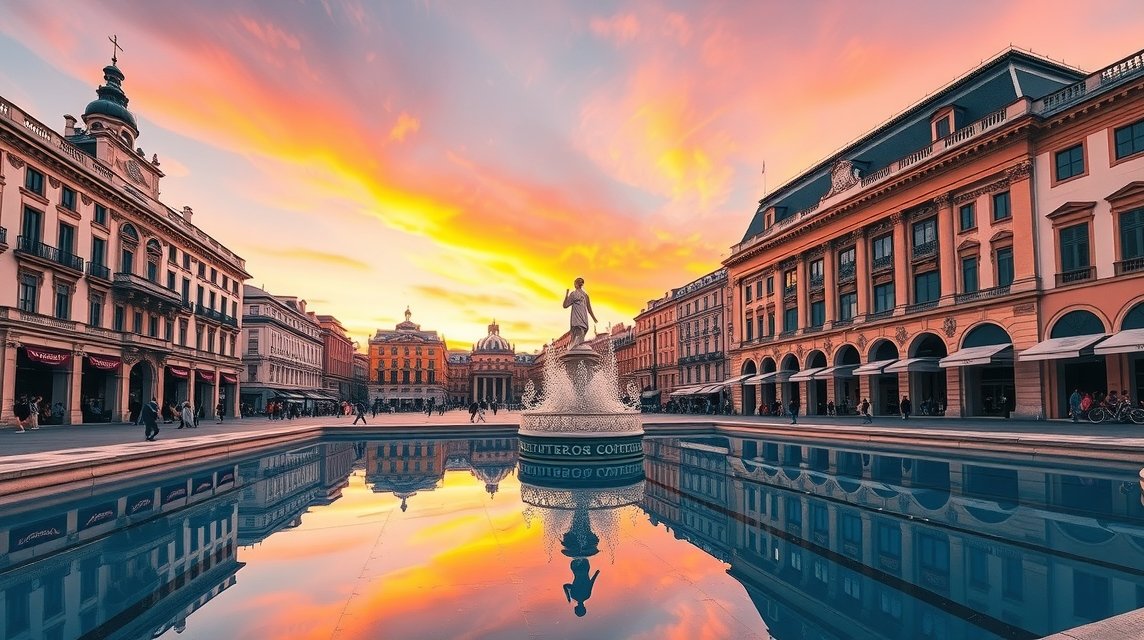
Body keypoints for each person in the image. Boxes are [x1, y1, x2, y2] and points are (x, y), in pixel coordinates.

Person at [563, 277, 598, 350]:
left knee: (577, 335)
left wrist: (566, 296)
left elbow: (565, 305)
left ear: (576, 284)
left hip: (577, 318)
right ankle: (576, 349)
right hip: (582, 319)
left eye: (574, 283)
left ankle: (575, 349)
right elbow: (589, 309)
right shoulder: (585, 295)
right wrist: (594, 318)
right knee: (580, 333)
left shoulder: (574, 294)